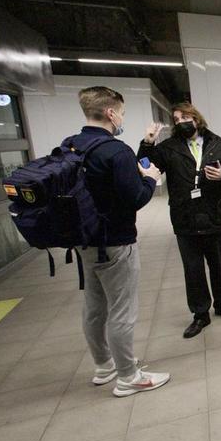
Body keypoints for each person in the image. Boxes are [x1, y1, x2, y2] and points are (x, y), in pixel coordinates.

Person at [74, 86, 170, 397]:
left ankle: (104, 366)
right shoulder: (116, 151)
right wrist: (150, 179)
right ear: (112, 113)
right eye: (123, 113)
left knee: (94, 308)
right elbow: (136, 198)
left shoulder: (72, 146)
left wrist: (144, 153)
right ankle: (129, 376)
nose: (122, 119)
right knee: (121, 311)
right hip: (116, 242)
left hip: (83, 240)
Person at [138, 103, 221, 338]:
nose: (181, 122)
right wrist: (147, 143)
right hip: (185, 218)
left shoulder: (219, 144)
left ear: (196, 119)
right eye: (176, 119)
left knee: (218, 265)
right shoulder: (168, 148)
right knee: (193, 269)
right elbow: (145, 166)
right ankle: (200, 315)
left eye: (185, 117)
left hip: (215, 216)